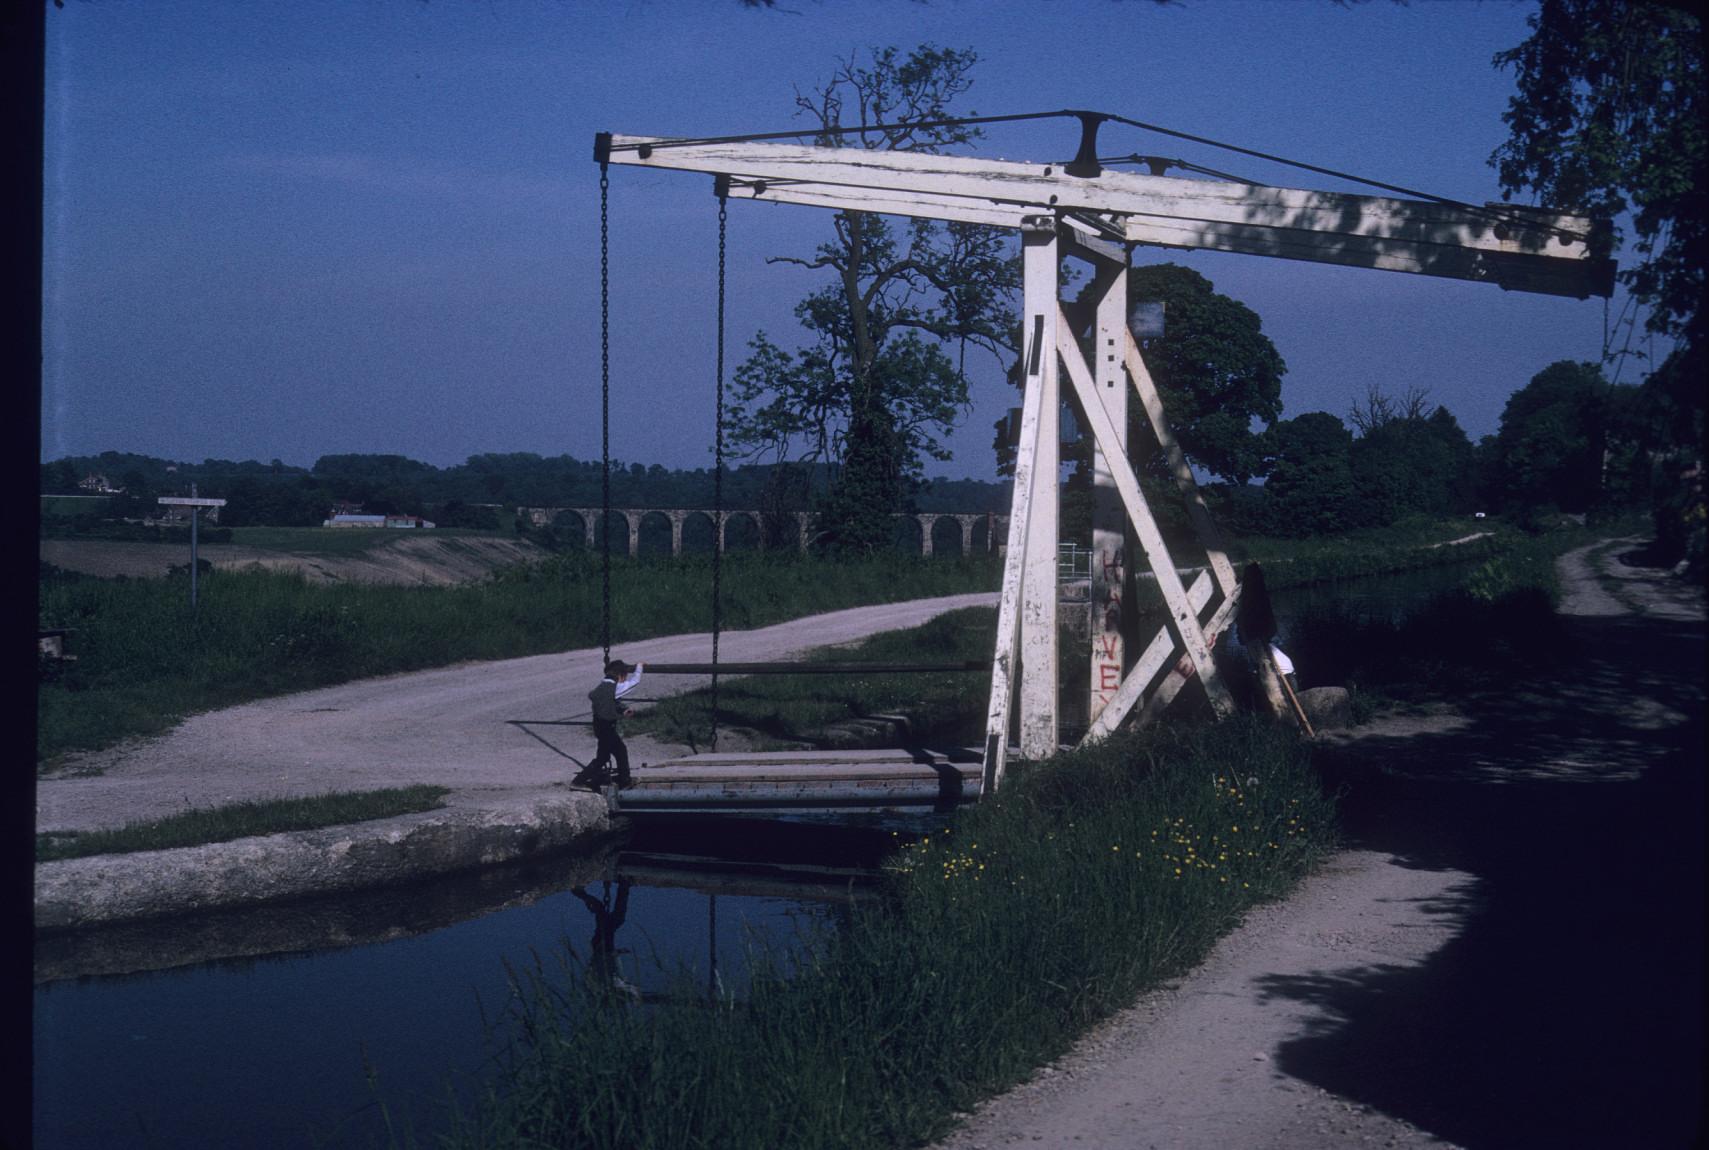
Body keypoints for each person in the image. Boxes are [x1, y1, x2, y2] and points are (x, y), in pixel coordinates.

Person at [574, 658, 644, 788]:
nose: (624, 680)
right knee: (620, 751)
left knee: (604, 756)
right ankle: (624, 781)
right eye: (624, 677)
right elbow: (635, 682)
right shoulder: (615, 687)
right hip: (607, 727)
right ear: (620, 676)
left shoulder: (602, 686)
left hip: (599, 726)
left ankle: (580, 781)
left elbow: (609, 701)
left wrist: (622, 709)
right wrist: (639, 667)